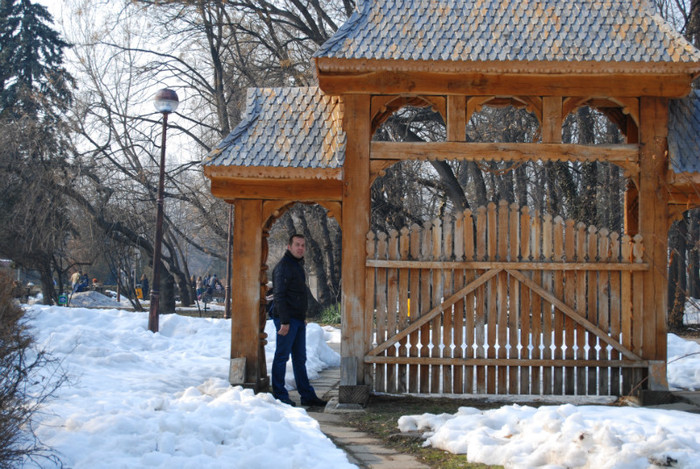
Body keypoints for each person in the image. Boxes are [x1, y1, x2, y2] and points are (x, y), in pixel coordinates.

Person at [270, 234, 326, 408]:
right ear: (289, 246)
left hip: (297, 320)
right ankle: (279, 395)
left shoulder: (297, 265)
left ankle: (307, 395)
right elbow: (279, 296)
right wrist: (285, 322)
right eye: (297, 245)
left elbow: (297, 295)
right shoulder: (283, 267)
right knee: (281, 357)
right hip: (286, 320)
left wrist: (302, 318)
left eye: (303, 245)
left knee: (300, 359)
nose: (300, 248)